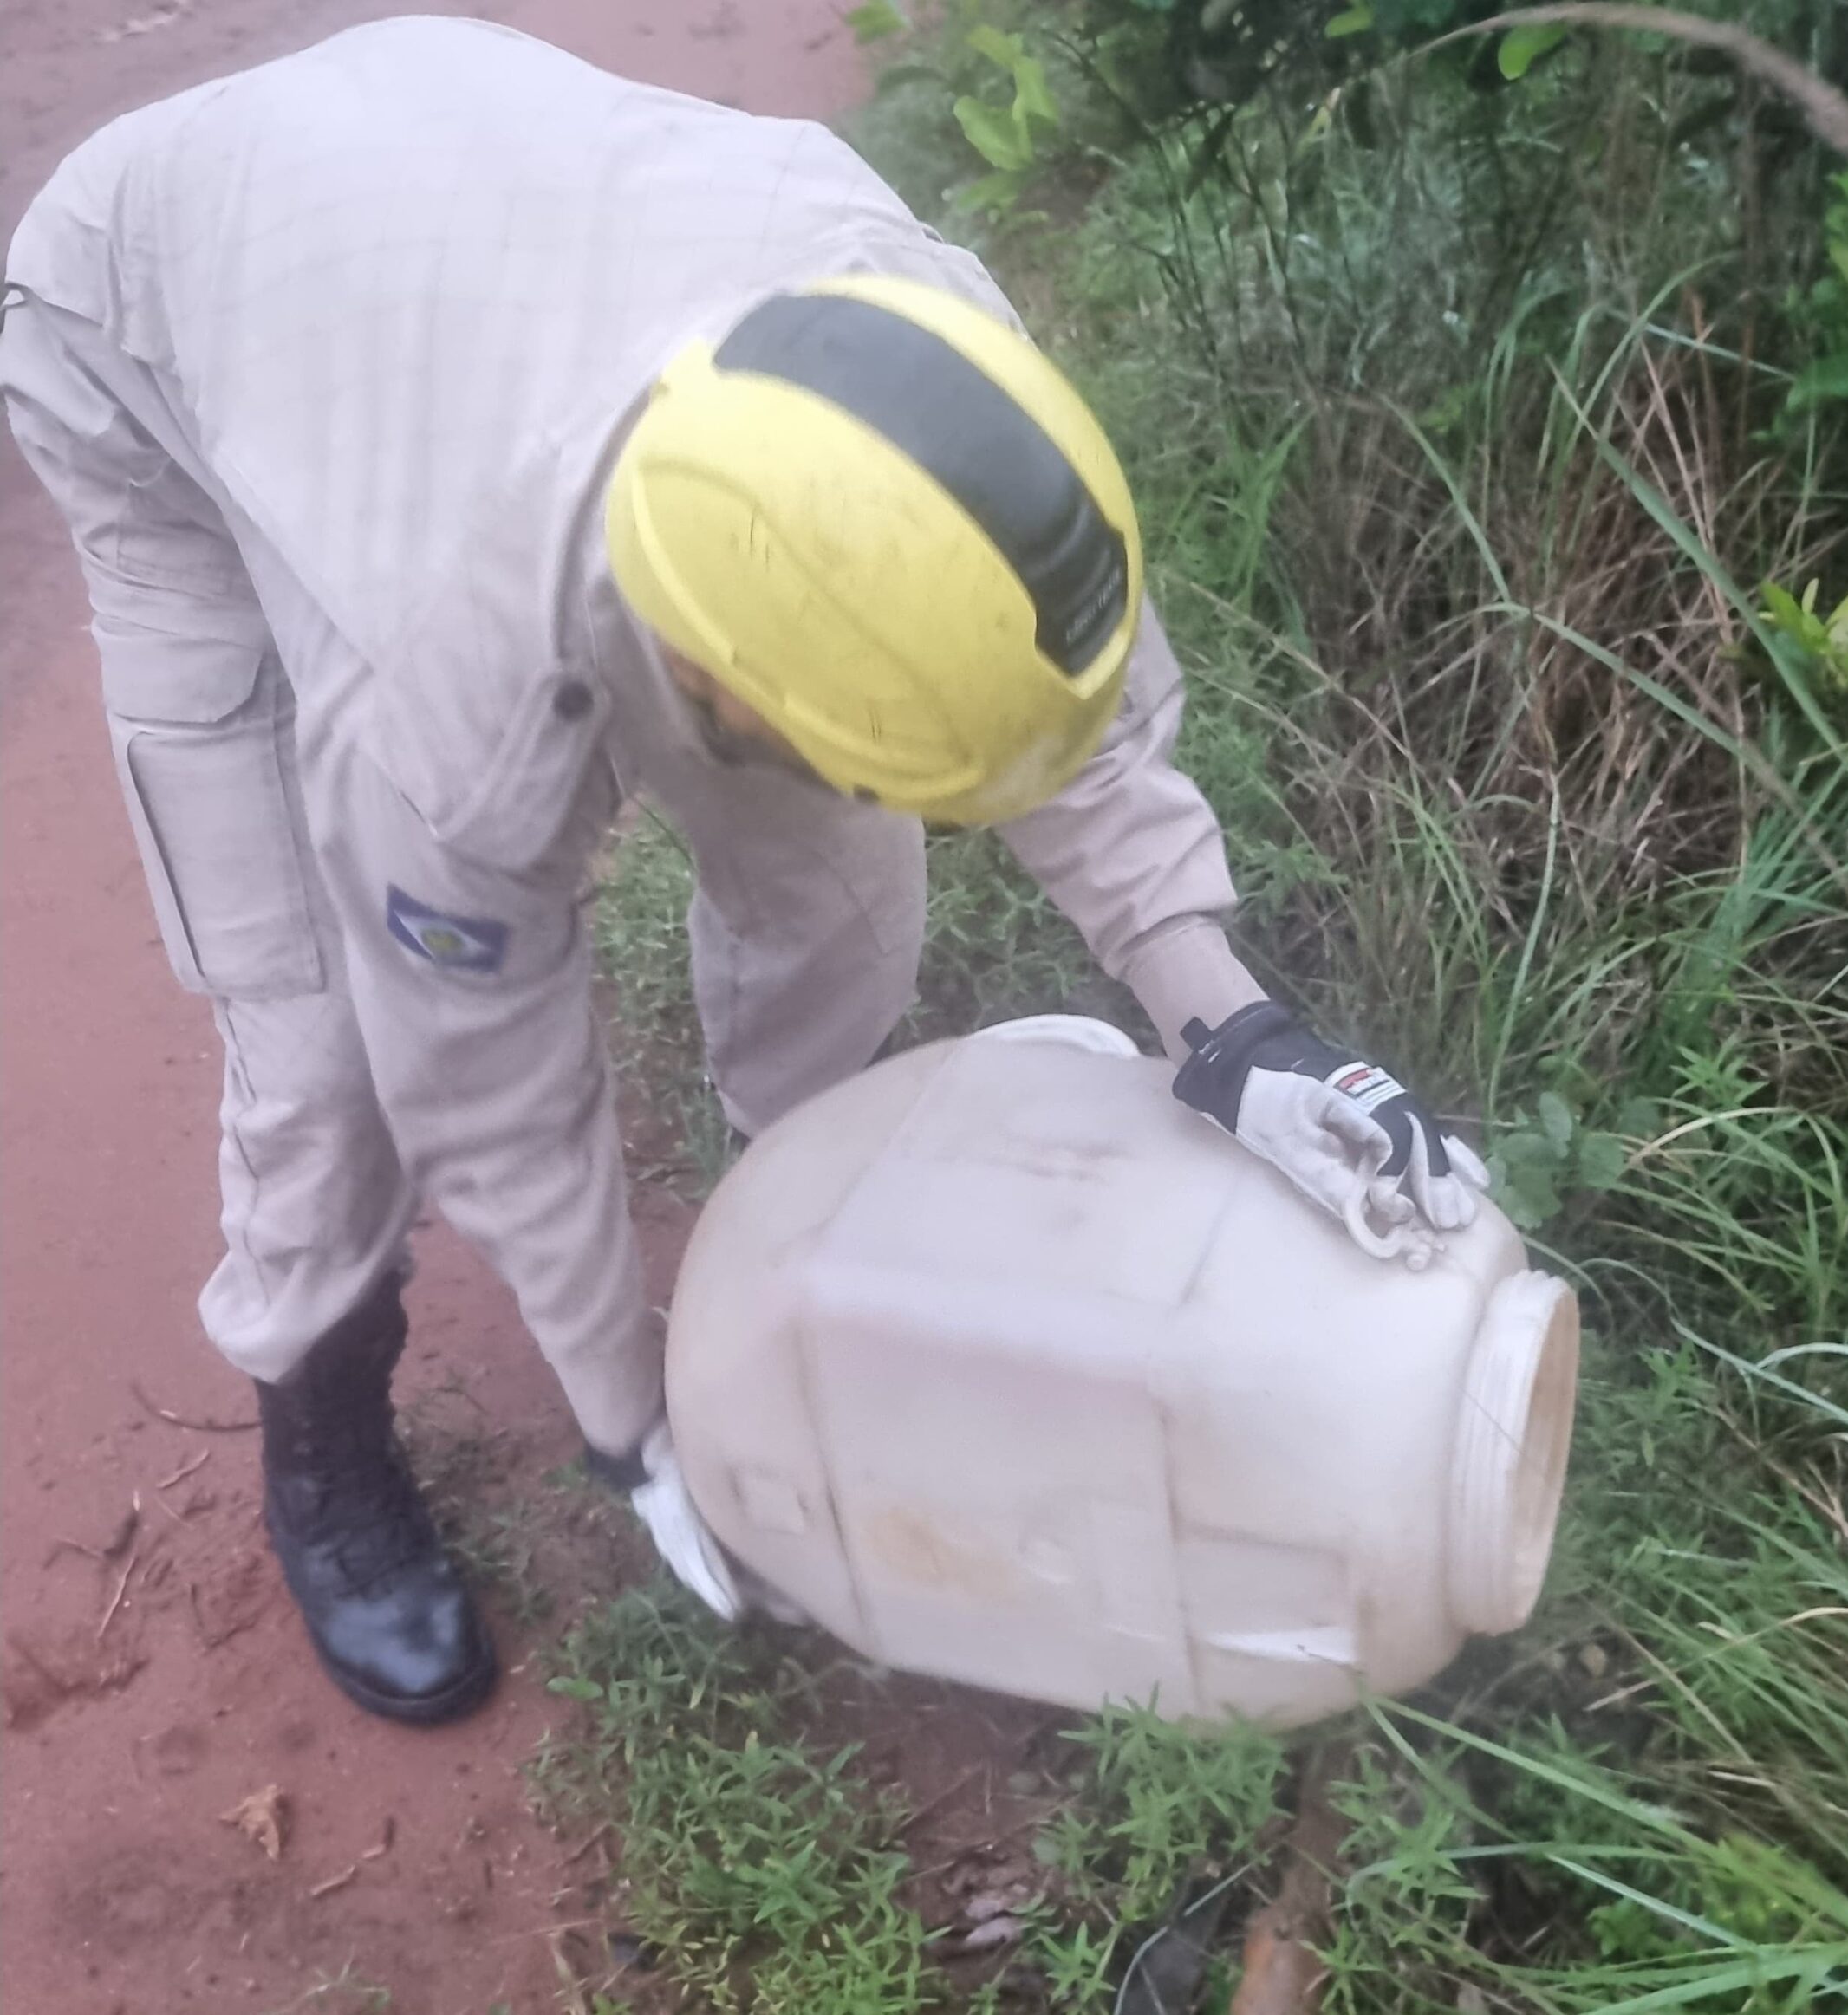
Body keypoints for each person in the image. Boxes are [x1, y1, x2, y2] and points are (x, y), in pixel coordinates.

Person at [0, 16, 1487, 1727]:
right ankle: (316, 1408)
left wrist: (1233, 1026)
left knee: (841, 884)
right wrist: (636, 1415)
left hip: (445, 215)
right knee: (327, 1047)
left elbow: (1063, 713)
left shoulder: (930, 380)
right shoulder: (461, 684)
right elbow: (483, 1070)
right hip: (150, 323)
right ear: (705, 670)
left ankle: (814, 1261)